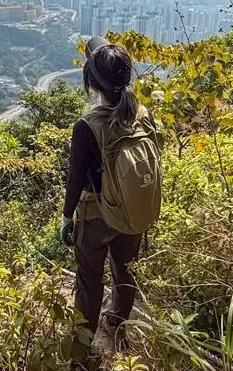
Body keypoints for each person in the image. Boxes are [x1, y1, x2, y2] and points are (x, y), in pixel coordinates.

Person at [60, 36, 161, 360]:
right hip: (131, 212)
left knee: (90, 283)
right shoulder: (142, 113)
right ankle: (116, 322)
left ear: (91, 82)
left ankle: (81, 354)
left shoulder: (87, 125)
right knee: (125, 271)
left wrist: (66, 218)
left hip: (97, 218)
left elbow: (75, 180)